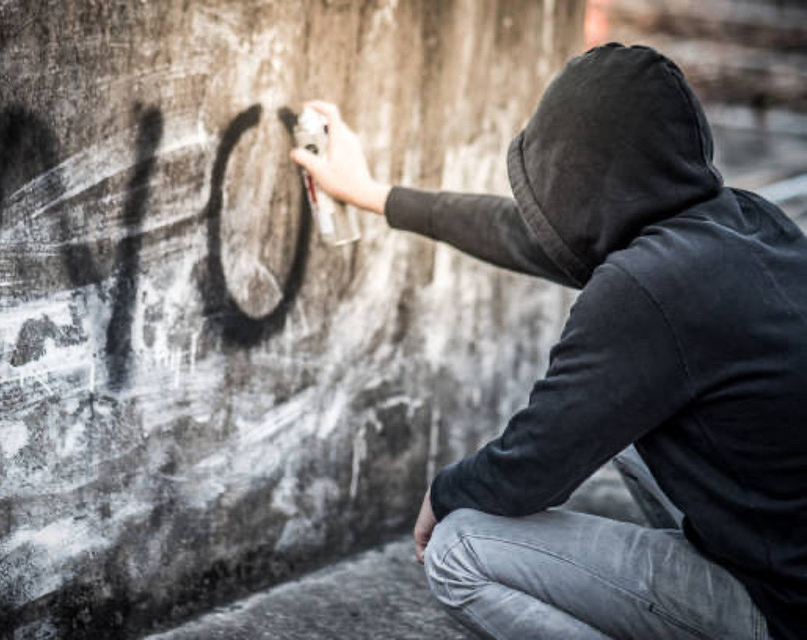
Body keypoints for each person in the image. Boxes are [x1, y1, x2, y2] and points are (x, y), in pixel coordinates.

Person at [290, 43, 807, 640]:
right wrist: (374, 195)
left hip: (780, 611)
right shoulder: (744, 221)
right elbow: (520, 234)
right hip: (784, 556)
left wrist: (443, 493)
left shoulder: (646, 289)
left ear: (579, 173)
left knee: (460, 548)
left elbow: (530, 470)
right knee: (630, 427)